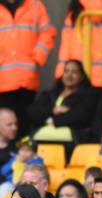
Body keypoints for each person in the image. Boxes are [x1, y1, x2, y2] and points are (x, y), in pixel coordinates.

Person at [0, 0, 55, 138]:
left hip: (26, 80)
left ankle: (22, 155)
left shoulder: (35, 6)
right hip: (2, 80)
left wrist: (37, 56)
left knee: (22, 125)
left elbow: (47, 32)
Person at [54, 0, 102, 88]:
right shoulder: (77, 8)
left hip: (99, 79)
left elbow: (99, 11)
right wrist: (61, 74)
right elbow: (66, 46)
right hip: (83, 78)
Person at [28, 60, 98, 144]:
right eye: (66, 71)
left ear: (82, 77)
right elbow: (32, 112)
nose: (69, 75)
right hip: (40, 140)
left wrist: (52, 120)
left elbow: (80, 117)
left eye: (74, 72)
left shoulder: (89, 96)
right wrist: (53, 110)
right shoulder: (50, 94)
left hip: (71, 142)